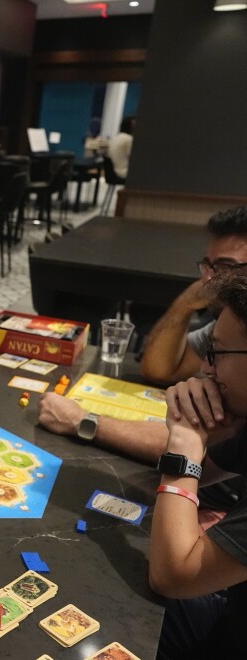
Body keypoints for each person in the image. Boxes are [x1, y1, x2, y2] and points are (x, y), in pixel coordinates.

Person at [38, 207, 247, 463]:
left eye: (226, 267)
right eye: (208, 267)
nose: (211, 280)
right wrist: (187, 302)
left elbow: (193, 447)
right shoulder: (230, 322)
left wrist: (81, 421)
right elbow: (160, 371)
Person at [151, 271, 247, 658]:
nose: (206, 369)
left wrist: (186, 441)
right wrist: (210, 428)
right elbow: (204, 476)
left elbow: (173, 575)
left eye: (218, 353)